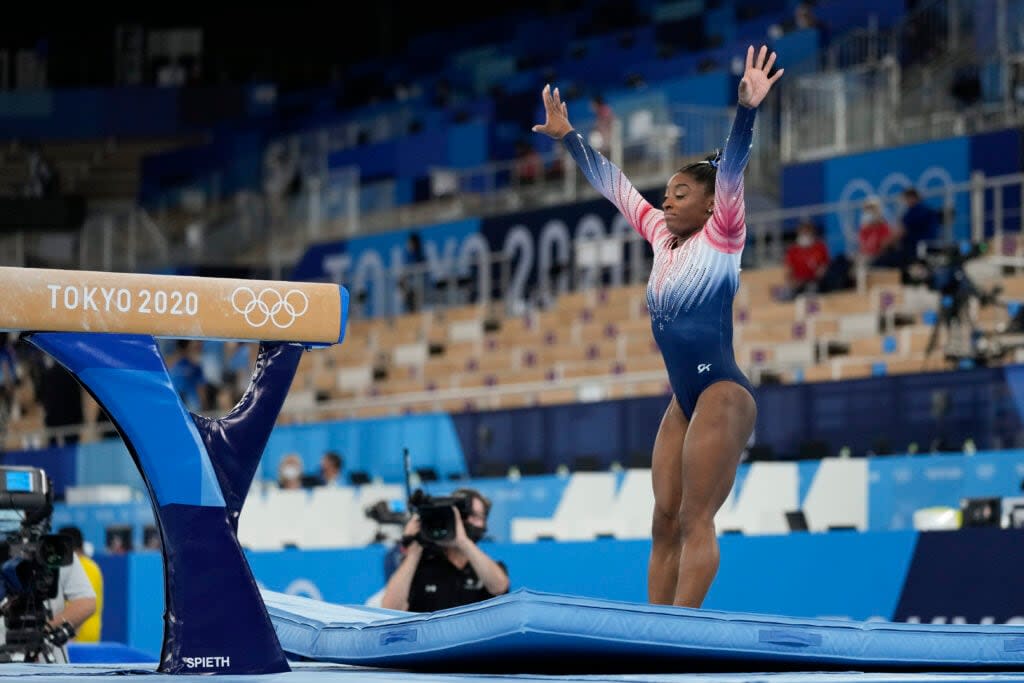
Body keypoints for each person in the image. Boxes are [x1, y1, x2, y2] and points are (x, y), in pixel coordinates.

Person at [532, 44, 783, 608]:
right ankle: (654, 628)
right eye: (666, 194)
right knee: (663, 521)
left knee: (697, 518)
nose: (666, 203)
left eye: (680, 195)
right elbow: (615, 184)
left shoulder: (724, 232)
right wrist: (570, 137)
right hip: (685, 399)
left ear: (710, 202)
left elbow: (736, 166)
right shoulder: (659, 236)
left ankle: (684, 634)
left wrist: (746, 111)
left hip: (722, 393)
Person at [380, 488, 509, 612]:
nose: (468, 521)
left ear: (485, 523)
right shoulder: (420, 566)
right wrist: (414, 551)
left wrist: (463, 542)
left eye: (477, 517)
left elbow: (499, 587)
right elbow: (390, 609)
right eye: (464, 515)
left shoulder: (486, 566)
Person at [56, 525, 103, 643]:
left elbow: (81, 603)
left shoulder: (81, 567)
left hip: (78, 638)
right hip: (88, 635)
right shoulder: (92, 566)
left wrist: (72, 636)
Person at [783, 219, 831, 297]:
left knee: (812, 289)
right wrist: (793, 282)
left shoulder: (820, 247)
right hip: (798, 283)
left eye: (807, 233)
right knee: (788, 293)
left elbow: (824, 267)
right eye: (803, 233)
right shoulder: (792, 251)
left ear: (812, 234)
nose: (805, 236)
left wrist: (816, 276)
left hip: (815, 282)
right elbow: (788, 271)